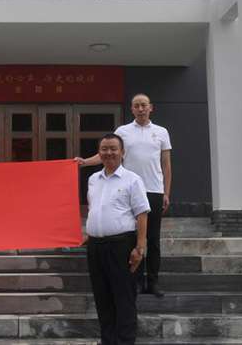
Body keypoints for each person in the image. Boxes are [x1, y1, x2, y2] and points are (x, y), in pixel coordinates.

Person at [76, 93, 172, 297]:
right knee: (133, 238)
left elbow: (166, 164)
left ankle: (152, 281)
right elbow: (107, 153)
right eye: (136, 106)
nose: (140, 109)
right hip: (128, 190)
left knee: (152, 239)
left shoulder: (161, 132)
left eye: (144, 105)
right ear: (132, 109)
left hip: (153, 190)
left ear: (151, 107)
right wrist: (84, 162)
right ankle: (136, 280)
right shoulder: (123, 131)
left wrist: (166, 192)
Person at [85, 133, 150, 345]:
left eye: (113, 148)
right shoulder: (93, 180)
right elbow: (95, 209)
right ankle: (108, 341)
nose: (109, 153)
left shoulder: (132, 179)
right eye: (104, 149)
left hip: (122, 246)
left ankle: (125, 341)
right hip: (96, 247)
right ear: (99, 152)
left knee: (124, 298)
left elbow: (142, 214)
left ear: (122, 152)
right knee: (102, 298)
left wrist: (140, 248)